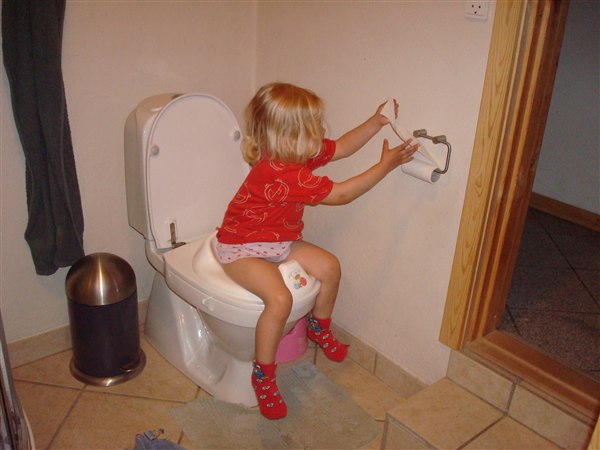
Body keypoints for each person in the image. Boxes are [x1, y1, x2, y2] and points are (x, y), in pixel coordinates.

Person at [214, 82, 417, 419]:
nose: (322, 131)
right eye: (314, 126)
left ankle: (318, 327)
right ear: (289, 137)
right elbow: (342, 194)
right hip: (242, 246)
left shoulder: (296, 152)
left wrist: (376, 121)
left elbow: (343, 147)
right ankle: (263, 375)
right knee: (280, 299)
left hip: (277, 240)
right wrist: (386, 165)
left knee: (329, 267)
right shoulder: (278, 172)